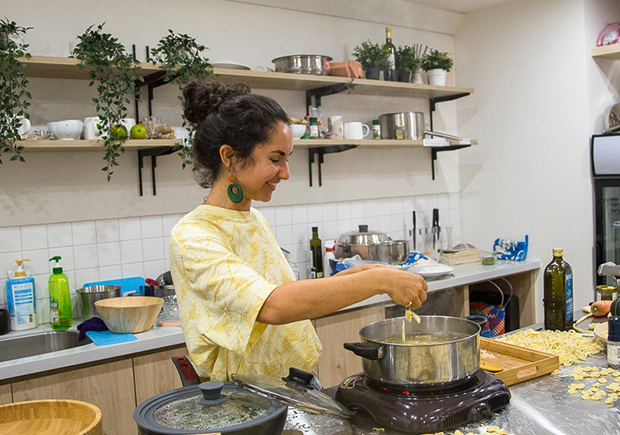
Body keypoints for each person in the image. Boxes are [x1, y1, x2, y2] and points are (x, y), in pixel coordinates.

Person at [169, 81, 428, 381]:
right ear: (230, 158)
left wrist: (364, 273)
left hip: (287, 388)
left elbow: (287, 294)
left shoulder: (253, 219)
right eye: (275, 159)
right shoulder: (192, 236)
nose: (286, 173)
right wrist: (377, 280)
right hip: (241, 404)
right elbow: (273, 306)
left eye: (287, 159)